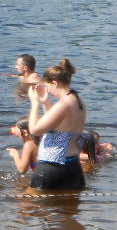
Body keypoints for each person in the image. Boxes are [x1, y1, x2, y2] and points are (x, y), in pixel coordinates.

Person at [27, 59, 87, 190]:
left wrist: (35, 103)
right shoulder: (76, 100)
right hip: (73, 167)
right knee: (68, 209)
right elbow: (58, 126)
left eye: (47, 86)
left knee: (31, 207)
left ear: (54, 83)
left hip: (52, 167)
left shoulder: (63, 104)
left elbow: (35, 130)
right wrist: (45, 102)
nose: (48, 90)